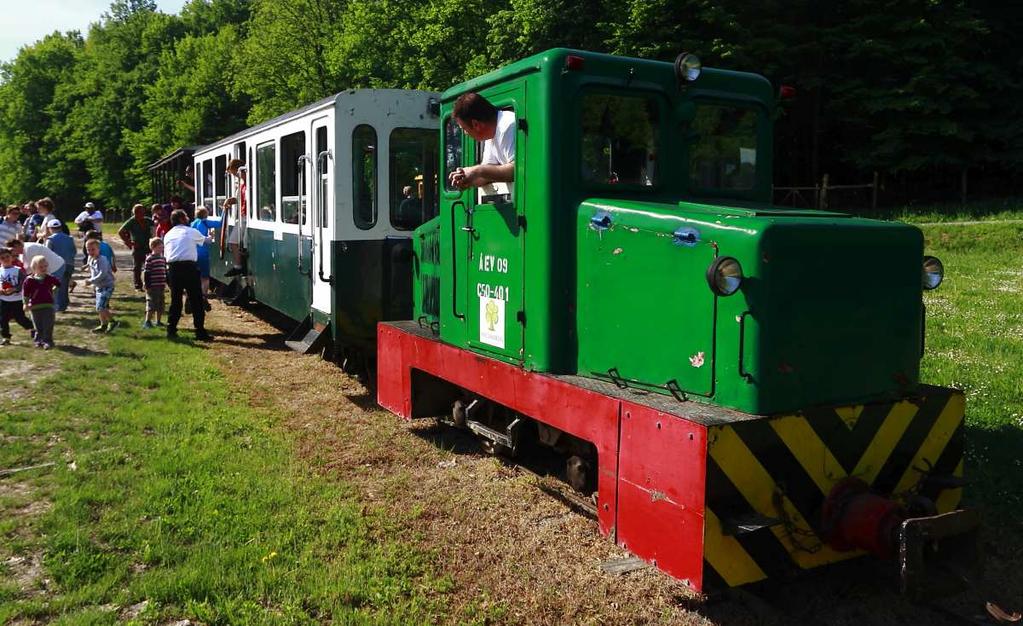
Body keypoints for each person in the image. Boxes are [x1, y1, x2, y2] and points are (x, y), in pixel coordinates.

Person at [447, 92, 515, 190]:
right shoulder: (490, 135)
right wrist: (467, 179)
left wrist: (476, 171)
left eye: (464, 129)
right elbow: (490, 173)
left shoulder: (508, 125)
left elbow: (516, 170)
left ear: (475, 124)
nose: (465, 133)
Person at [163, 209, 212, 341]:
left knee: (176, 301)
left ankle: (171, 329)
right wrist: (211, 235)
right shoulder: (190, 231)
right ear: (181, 219)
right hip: (189, 268)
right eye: (185, 216)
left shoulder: (168, 234)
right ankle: (200, 331)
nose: (188, 218)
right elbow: (206, 241)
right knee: (196, 300)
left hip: (172, 268)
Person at [22, 255, 61, 349]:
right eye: (41, 267)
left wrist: (54, 290)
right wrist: (25, 303)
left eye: (45, 266)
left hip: (48, 305)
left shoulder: (49, 278)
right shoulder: (29, 280)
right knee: (37, 325)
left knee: (48, 324)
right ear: (34, 268)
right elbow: (25, 293)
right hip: (35, 306)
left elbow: (58, 283)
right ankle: (39, 340)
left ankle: (48, 341)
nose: (44, 268)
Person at [0, 247, 34, 345]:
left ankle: (33, 327)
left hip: (17, 299)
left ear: (12, 257)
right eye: (2, 258)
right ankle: (6, 337)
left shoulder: (17, 270)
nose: (6, 259)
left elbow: (24, 283)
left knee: (19, 318)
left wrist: (14, 289)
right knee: (2, 319)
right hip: (3, 299)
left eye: (7, 256)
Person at [117, 203, 154, 291]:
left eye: (143, 212)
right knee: (137, 267)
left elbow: (154, 229)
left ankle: (149, 284)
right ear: (135, 213)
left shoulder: (148, 221)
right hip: (138, 246)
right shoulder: (131, 221)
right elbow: (121, 231)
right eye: (140, 212)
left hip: (148, 246)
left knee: (149, 266)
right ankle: (138, 285)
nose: (142, 214)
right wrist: (128, 242)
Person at [190, 207, 221, 311]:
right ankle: (204, 295)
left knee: (196, 276)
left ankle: (196, 294)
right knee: (205, 277)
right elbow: (220, 223)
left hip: (193, 253)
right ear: (205, 214)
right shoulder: (205, 222)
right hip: (203, 253)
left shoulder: (192, 223)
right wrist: (225, 210)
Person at [84, 238, 118, 333]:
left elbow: (102, 274)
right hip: (99, 287)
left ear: (98, 249)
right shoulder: (91, 259)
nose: (90, 252)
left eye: (93, 249)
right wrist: (86, 267)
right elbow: (91, 268)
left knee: (101, 307)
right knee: (99, 308)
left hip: (107, 286)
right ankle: (103, 324)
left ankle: (113, 322)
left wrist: (91, 281)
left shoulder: (102, 259)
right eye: (88, 249)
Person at [43, 218, 77, 312]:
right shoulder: (70, 238)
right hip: (69, 264)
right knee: (65, 285)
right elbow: (74, 251)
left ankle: (59, 306)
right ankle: (64, 304)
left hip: (57, 265)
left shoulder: (50, 239)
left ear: (50, 228)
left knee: (57, 286)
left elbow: (47, 253)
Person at [223, 159, 247, 277]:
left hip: (247, 216)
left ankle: (238, 266)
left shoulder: (248, 182)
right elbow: (240, 199)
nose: (235, 176)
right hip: (243, 215)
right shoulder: (243, 183)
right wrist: (230, 200)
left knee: (233, 241)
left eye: (234, 173)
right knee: (238, 242)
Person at [142, 237, 167, 329]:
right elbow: (147, 273)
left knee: (160, 303)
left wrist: (167, 282)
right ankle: (147, 321)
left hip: (161, 285)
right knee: (151, 303)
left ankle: (158, 321)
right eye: (159, 247)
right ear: (153, 247)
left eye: (162, 247)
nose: (161, 249)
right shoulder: (150, 259)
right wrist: (147, 284)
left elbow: (165, 271)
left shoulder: (163, 258)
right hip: (152, 285)